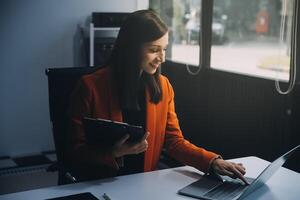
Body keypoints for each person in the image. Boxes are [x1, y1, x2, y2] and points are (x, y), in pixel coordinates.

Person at [67, 9, 248, 184]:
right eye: (154, 49)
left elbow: (174, 142)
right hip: (103, 184)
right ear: (131, 47)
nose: (162, 58)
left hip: (146, 184)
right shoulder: (90, 86)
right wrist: (113, 153)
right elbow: (73, 151)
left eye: (164, 49)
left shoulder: (163, 86)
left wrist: (212, 162)